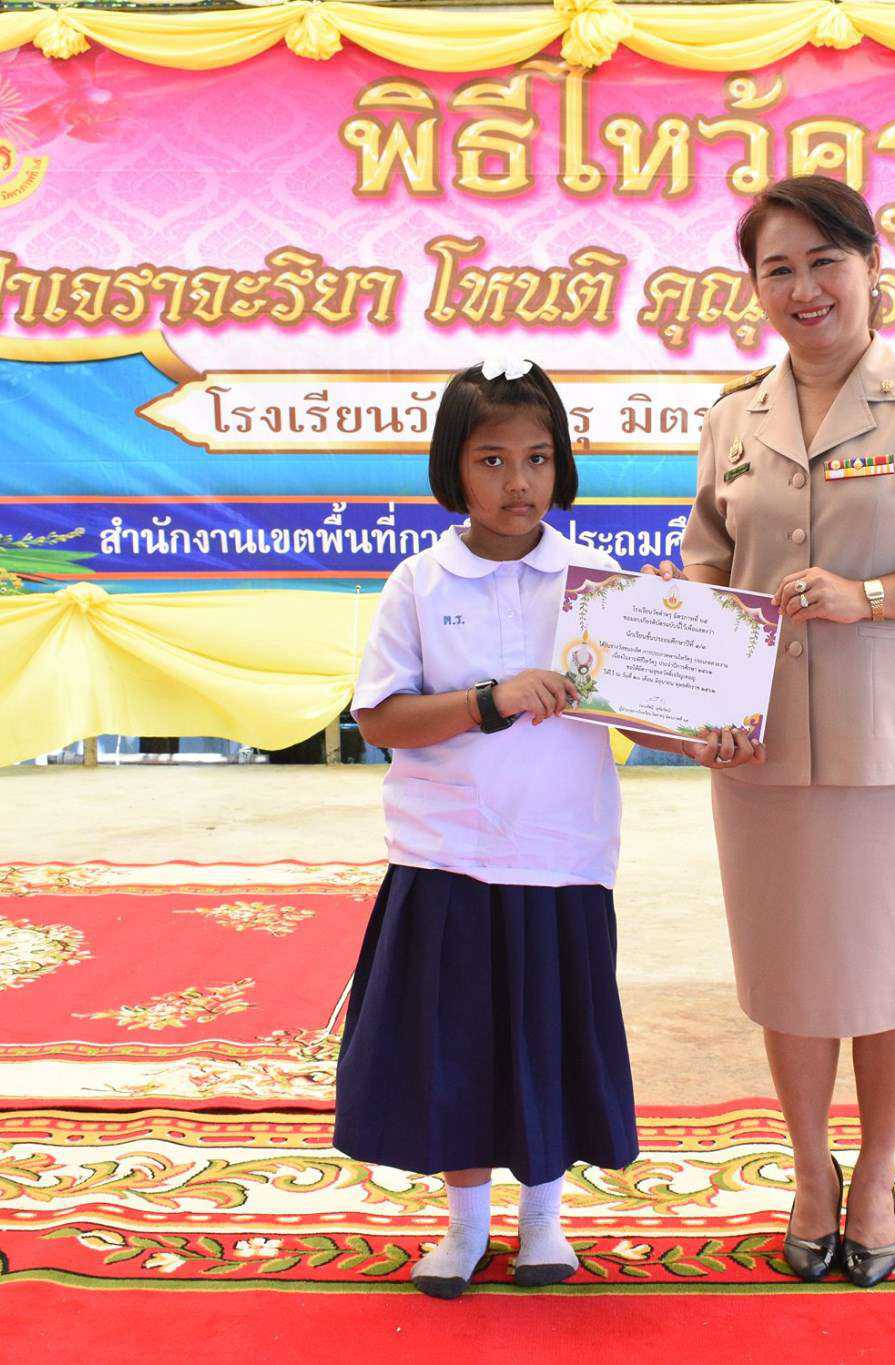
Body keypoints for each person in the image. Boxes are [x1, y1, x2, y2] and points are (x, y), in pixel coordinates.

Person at [654, 176, 895, 1287]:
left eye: (824, 261)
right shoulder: (734, 417)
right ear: (755, 287)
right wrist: (696, 690)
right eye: (778, 269)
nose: (803, 288)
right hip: (759, 744)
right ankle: (811, 1168)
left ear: (872, 266)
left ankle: (878, 1176)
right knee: (792, 967)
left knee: (893, 965)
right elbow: (706, 563)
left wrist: (869, 597)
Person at [334, 356, 761, 1300]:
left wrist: (708, 727)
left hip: (562, 858)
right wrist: (489, 699)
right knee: (453, 1048)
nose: (517, 481)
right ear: (453, 468)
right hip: (445, 856)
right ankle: (463, 1225)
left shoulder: (599, 586)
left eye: (536, 457)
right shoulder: (418, 583)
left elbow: (654, 713)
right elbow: (381, 718)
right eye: (490, 459)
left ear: (562, 464)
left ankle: (543, 1220)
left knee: (547, 1041)